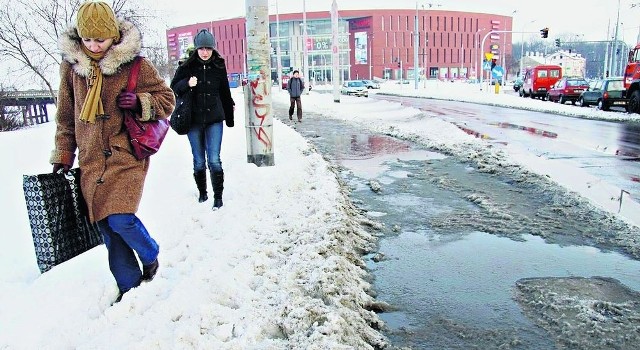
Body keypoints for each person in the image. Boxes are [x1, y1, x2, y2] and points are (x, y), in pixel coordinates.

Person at [50, 0, 175, 303]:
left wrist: (142, 102)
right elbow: (66, 118)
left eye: (100, 39)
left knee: (120, 218)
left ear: (114, 37)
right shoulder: (71, 69)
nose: (94, 45)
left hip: (126, 156)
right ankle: (130, 286)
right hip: (91, 161)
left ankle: (151, 253)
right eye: (88, 39)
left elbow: (167, 99)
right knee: (106, 227)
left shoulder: (135, 64)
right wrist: (63, 154)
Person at [170, 29, 235, 209]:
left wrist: (229, 116)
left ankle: (218, 197)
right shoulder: (186, 67)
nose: (205, 52)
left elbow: (224, 92)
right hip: (193, 121)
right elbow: (174, 87)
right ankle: (203, 193)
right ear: (197, 49)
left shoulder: (219, 66)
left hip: (214, 119)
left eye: (208, 48)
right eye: (202, 48)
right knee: (199, 160)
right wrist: (186, 84)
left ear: (213, 49)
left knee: (214, 159)